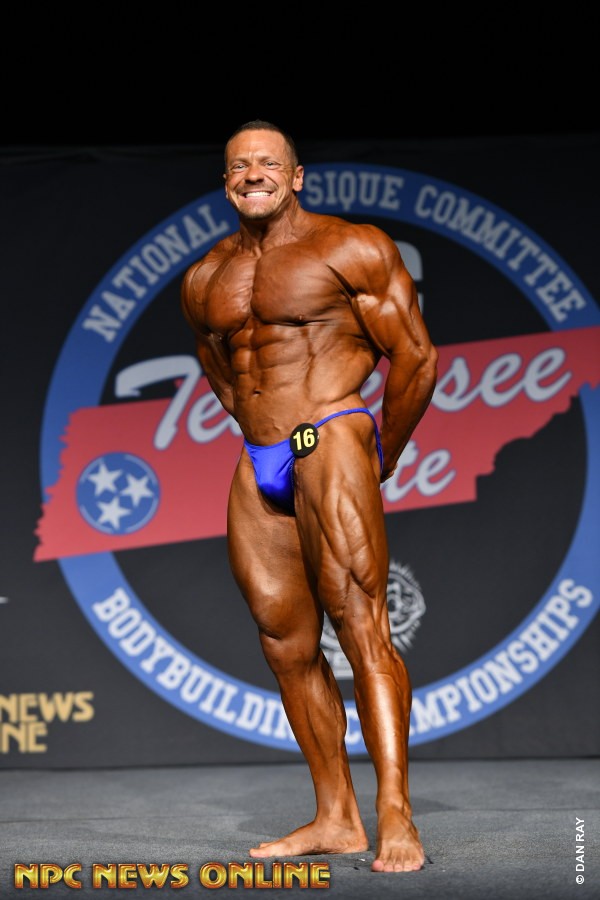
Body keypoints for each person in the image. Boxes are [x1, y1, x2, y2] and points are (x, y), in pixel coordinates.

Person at [181, 120, 438, 873]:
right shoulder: (205, 277)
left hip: (329, 432)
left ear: (296, 176)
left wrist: (377, 450)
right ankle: (337, 816)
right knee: (284, 642)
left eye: (268, 163)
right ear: (226, 182)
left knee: (360, 624)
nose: (252, 174)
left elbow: (416, 358)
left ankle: (395, 813)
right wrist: (260, 428)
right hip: (262, 454)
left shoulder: (349, 247)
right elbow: (219, 366)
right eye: (238, 166)